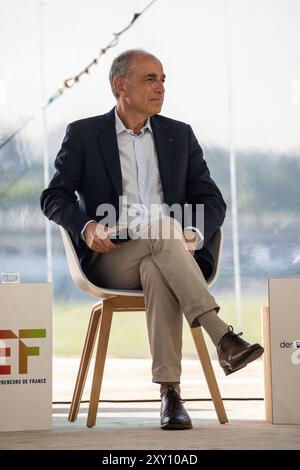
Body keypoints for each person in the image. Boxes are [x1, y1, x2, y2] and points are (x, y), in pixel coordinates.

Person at [40, 49, 264, 431]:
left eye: (163, 79)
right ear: (120, 86)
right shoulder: (83, 134)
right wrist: (88, 227)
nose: (160, 87)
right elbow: (54, 196)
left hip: (168, 251)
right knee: (161, 232)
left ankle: (170, 395)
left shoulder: (179, 134)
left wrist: (192, 233)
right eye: (150, 79)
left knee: (158, 261)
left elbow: (212, 200)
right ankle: (222, 337)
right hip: (111, 257)